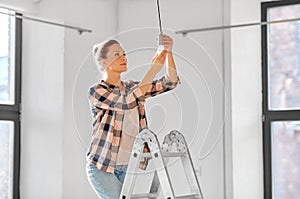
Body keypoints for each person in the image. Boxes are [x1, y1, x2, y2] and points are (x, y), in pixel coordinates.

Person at [86, 34, 180, 199]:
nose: (123, 57)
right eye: (117, 54)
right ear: (104, 62)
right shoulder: (97, 91)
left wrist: (168, 53)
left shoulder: (132, 86)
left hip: (129, 166)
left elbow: (170, 82)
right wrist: (153, 69)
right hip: (102, 167)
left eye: (124, 54)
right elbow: (125, 103)